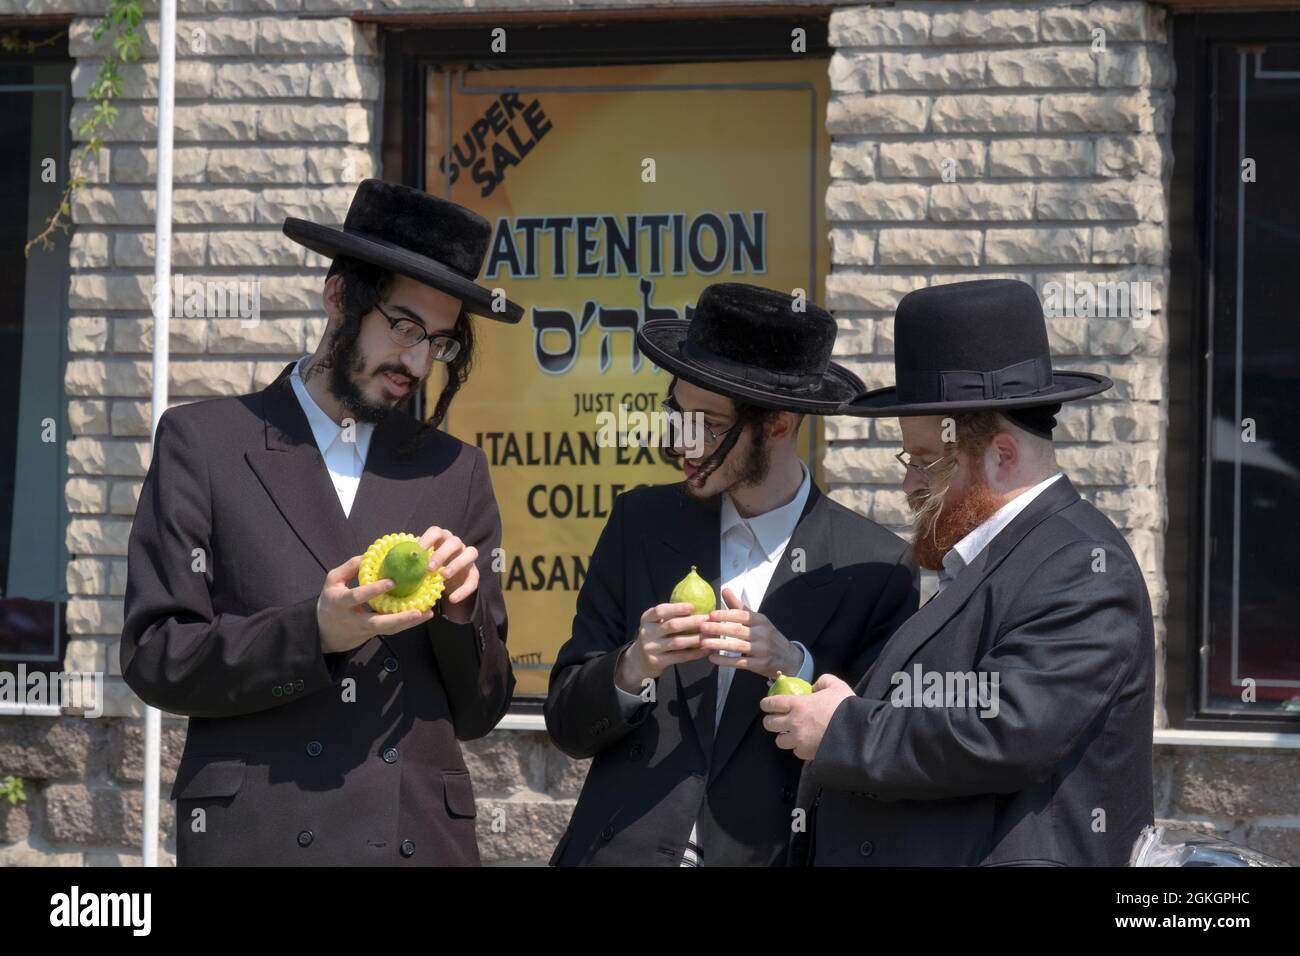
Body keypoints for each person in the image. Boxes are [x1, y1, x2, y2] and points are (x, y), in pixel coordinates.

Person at [121, 179, 519, 865]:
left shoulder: (457, 473)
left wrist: (461, 615)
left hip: (412, 839)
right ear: (339, 298)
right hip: (262, 836)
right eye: (404, 328)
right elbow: (157, 657)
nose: (418, 364)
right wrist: (313, 632)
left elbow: (482, 710)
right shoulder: (205, 442)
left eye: (442, 344)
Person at [764, 278, 1155, 866]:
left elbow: (1006, 730)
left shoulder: (1080, 566)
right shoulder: (999, 553)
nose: (908, 483)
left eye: (926, 461)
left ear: (1001, 456)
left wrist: (845, 728)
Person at [545, 282, 918, 866]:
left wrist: (795, 666)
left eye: (710, 426)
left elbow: (879, 756)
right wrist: (631, 664)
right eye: (677, 416)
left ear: (778, 424)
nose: (683, 446)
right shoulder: (638, 522)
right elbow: (568, 725)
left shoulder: (874, 567)